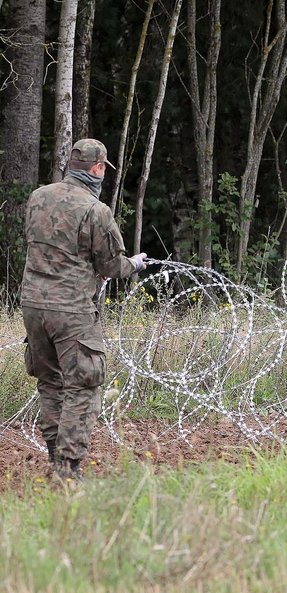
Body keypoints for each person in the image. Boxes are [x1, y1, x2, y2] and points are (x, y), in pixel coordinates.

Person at [21, 138, 148, 481]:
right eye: (103, 168)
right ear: (96, 168)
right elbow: (110, 266)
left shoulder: (38, 197)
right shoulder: (96, 211)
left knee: (50, 382)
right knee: (83, 385)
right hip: (71, 310)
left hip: (33, 304)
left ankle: (54, 455)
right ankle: (68, 467)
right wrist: (134, 264)